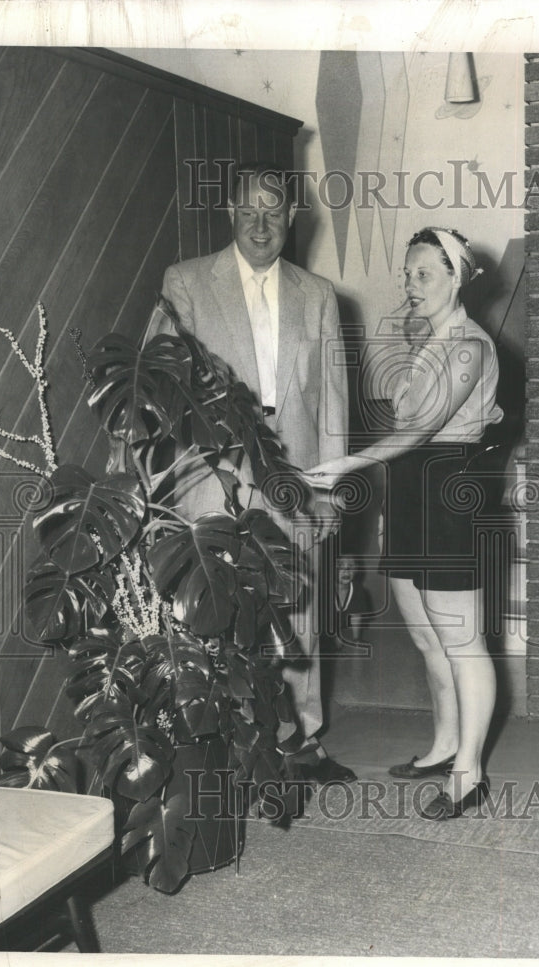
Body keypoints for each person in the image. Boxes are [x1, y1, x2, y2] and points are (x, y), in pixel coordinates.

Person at [146, 161, 356, 785]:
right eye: (248, 210)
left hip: (297, 473)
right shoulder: (185, 283)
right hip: (214, 476)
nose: (260, 223)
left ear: (292, 218)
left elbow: (333, 401)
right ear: (229, 213)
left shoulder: (318, 294)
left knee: (300, 609)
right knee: (221, 611)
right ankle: (231, 745)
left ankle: (303, 742)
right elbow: (158, 385)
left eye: (274, 211)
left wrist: (333, 492)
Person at [308, 226, 503, 819]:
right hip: (412, 490)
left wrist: (345, 464)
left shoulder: (471, 346)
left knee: (463, 641)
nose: (410, 285)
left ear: (458, 277)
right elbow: (400, 424)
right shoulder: (425, 346)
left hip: (450, 491)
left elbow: (419, 431)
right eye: (407, 274)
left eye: (424, 274)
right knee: (424, 635)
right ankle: (445, 745)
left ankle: (469, 773)